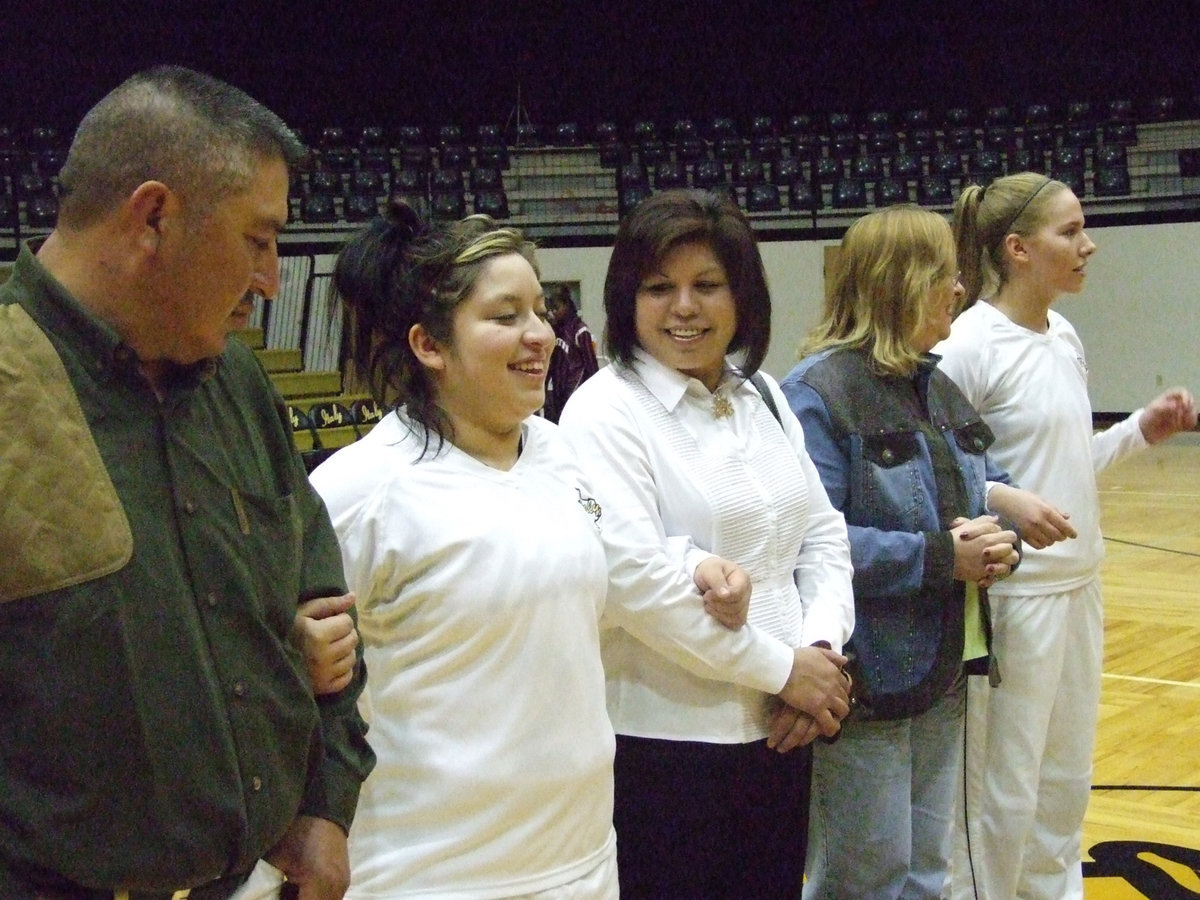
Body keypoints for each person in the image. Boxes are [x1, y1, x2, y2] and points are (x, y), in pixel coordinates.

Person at [0, 67, 376, 899]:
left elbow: (323, 605)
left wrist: (322, 804)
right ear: (153, 217)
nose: (272, 279)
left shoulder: (236, 382)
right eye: (258, 238)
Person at [308, 202, 749, 898]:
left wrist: (692, 562)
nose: (540, 335)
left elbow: (602, 549)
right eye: (505, 315)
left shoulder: (556, 450)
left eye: (541, 310)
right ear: (429, 345)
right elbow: (276, 669)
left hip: (582, 861)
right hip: (431, 874)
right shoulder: (362, 491)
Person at [558, 188, 856, 898]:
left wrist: (817, 653)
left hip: (784, 733)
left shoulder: (766, 397)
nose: (684, 307)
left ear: (742, 296)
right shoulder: (603, 411)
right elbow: (638, 587)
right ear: (627, 301)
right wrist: (784, 671)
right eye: (660, 288)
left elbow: (823, 538)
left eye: (707, 286)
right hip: (667, 752)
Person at [937, 172, 1197, 900]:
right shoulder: (968, 345)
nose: (1088, 245)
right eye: (1070, 231)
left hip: (1080, 587)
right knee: (1001, 793)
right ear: (1017, 248)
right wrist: (1000, 500)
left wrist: (1141, 430)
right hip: (1011, 601)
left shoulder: (1064, 336)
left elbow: (1068, 467)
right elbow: (936, 472)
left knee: (1062, 788)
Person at [780, 205, 1036, 899]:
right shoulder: (816, 395)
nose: (958, 289)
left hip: (943, 671)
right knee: (865, 879)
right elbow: (809, 543)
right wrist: (938, 557)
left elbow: (992, 485)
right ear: (901, 282)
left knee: (926, 873)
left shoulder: (938, 382)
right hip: (865, 685)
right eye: (946, 276)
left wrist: (1001, 542)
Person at [540, 282, 599, 422]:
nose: (553, 312)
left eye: (556, 308)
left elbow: (592, 366)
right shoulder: (557, 331)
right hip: (558, 388)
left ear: (566, 305)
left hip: (575, 389)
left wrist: (595, 394)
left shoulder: (580, 331)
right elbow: (552, 362)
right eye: (551, 308)